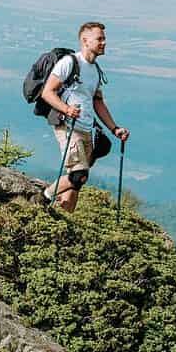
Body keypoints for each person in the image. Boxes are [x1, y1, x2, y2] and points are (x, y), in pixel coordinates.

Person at [39, 22, 129, 212]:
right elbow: (47, 92)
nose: (104, 42)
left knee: (76, 182)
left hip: (86, 127)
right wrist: (66, 109)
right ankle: (41, 198)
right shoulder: (70, 63)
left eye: (104, 38)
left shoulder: (95, 70)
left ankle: (63, 219)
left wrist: (114, 128)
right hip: (67, 126)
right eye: (100, 39)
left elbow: (98, 102)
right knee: (78, 175)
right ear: (85, 40)